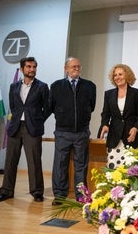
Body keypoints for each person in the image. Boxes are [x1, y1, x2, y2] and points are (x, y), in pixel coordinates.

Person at [0, 57, 50, 203]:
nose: (32, 69)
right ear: (22, 68)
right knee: (10, 161)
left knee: (34, 161)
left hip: (33, 128)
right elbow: (13, 106)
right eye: (29, 66)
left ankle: (37, 192)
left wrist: (38, 119)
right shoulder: (14, 86)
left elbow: (48, 107)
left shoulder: (42, 86)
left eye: (34, 67)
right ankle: (6, 191)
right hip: (15, 128)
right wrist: (19, 117)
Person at [49, 57, 96, 205]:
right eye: (73, 66)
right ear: (66, 68)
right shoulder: (56, 86)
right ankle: (59, 195)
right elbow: (51, 106)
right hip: (62, 132)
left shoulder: (90, 86)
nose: (76, 68)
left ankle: (81, 195)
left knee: (81, 165)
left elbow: (92, 106)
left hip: (81, 132)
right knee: (60, 164)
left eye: (78, 66)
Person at [99, 64, 138, 169]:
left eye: (120, 74)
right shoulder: (108, 94)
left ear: (127, 75)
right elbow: (105, 113)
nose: (117, 77)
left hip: (130, 137)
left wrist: (136, 128)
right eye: (115, 75)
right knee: (113, 169)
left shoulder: (137, 93)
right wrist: (105, 124)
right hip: (114, 136)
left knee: (130, 170)